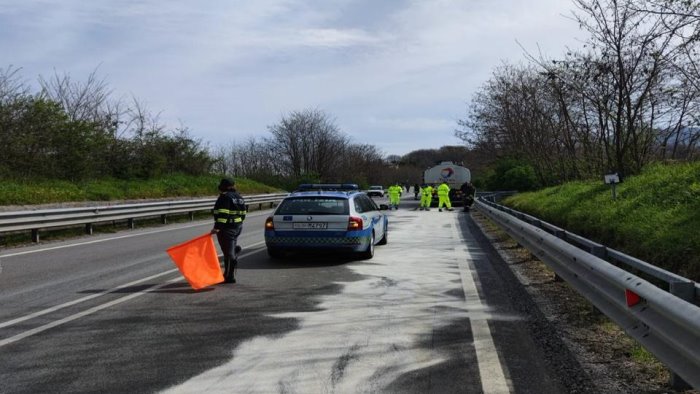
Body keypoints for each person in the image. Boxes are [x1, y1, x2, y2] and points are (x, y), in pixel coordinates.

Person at [211, 178, 247, 283]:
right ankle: (234, 251)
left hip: (226, 229)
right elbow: (243, 214)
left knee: (228, 254)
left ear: (224, 186)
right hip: (237, 227)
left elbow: (223, 214)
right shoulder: (239, 197)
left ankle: (229, 277)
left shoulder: (224, 197)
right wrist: (237, 223)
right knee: (228, 251)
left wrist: (217, 227)